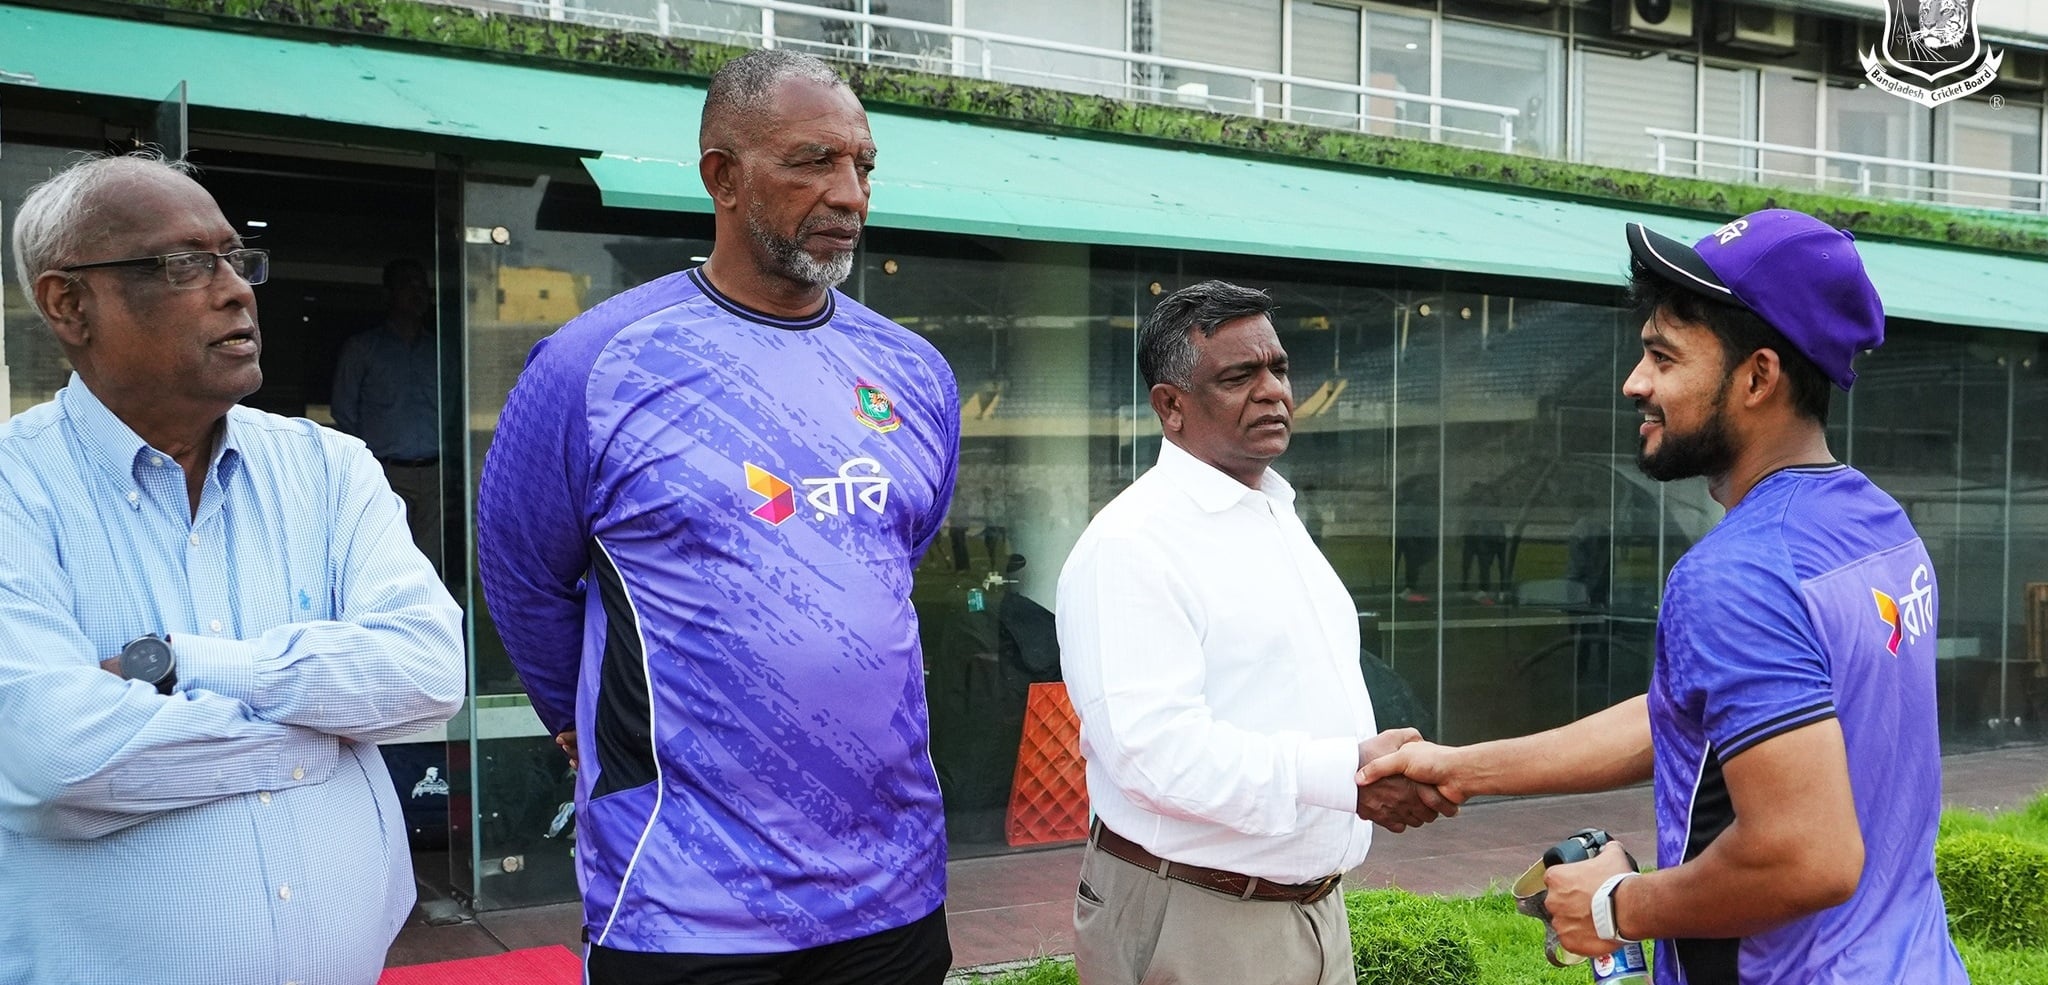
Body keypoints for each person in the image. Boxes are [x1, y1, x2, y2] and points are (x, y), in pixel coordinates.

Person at [1360, 209, 1968, 985]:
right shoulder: (1878, 526)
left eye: (1663, 356)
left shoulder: (1737, 573)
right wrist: (1463, 768)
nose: (1635, 382)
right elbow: (1700, 714)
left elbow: (1807, 856)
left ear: (1758, 377)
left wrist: (1615, 905)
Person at [475, 48, 960, 985]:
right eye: (813, 161)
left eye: (862, 165)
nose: (850, 193)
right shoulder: (592, 365)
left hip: (892, 888)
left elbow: (897, 554)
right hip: (686, 898)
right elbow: (521, 572)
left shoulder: (914, 372)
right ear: (722, 177)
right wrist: (585, 721)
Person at [0, 152, 465, 984]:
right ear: (69, 303)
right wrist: (322, 737)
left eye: (236, 258)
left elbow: (429, 668)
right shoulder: (16, 487)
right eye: (186, 264)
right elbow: (52, 752)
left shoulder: (329, 467)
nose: (236, 290)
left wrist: (186, 662)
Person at [1057, 279, 1451, 985]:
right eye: (1239, 376)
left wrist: (1361, 773)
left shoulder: (1272, 510)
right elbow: (1155, 755)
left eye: (1279, 368)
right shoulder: (1132, 544)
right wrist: (1344, 777)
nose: (1273, 391)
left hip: (1312, 910)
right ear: (1170, 406)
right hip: (1197, 915)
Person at [331, 257, 441, 572]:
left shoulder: (440, 349)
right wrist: (371, 461)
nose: (417, 293)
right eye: (407, 285)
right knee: (386, 561)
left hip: (436, 474)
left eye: (422, 286)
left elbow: (454, 407)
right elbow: (343, 410)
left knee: (431, 563)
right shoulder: (362, 349)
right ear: (388, 294)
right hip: (386, 471)